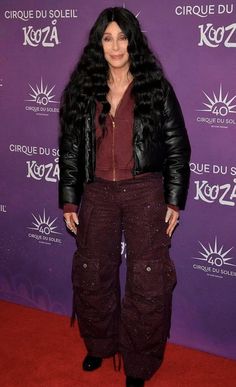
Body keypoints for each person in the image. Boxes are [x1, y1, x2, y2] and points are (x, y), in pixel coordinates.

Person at [59, 7, 190, 387]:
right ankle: (99, 345)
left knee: (147, 281)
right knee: (92, 274)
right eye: (107, 38)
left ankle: (139, 363)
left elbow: (177, 147)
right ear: (97, 44)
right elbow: (69, 149)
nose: (116, 46)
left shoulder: (156, 88)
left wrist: (174, 200)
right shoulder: (83, 89)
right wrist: (70, 199)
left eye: (122, 36)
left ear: (134, 39)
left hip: (145, 191)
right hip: (97, 193)